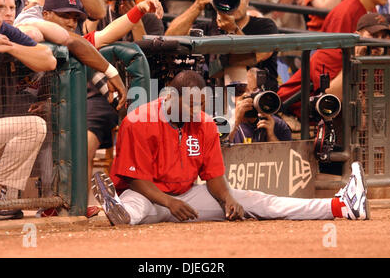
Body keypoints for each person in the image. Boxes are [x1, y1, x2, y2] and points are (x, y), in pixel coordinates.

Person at [91, 70, 369, 226]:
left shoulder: (205, 124)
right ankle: (119, 212)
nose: (195, 111)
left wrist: (228, 200)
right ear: (169, 97)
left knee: (256, 200)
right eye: (188, 105)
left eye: (200, 105)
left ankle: (340, 206)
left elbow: (213, 177)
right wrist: (168, 202)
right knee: (134, 208)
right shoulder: (138, 120)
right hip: (148, 195)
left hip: (186, 196)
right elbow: (134, 179)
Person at [35, 0, 163, 217]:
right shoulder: (28, 35)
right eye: (65, 15)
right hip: (19, 111)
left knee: (70, 137)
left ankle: (69, 205)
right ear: (46, 15)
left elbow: (108, 33)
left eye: (75, 17)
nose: (71, 22)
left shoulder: (75, 44)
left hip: (51, 117)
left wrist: (139, 10)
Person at [0, 0, 55, 220]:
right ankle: (0, 196)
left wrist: (10, 48)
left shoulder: (4, 30)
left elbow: (48, 60)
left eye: (1, 7)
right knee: (32, 127)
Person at [84, 0, 164, 199]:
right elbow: (85, 39)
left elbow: (145, 49)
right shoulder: (98, 9)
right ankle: (80, 201)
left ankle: (134, 193)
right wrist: (99, 3)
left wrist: (136, 9)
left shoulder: (149, 16)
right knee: (86, 140)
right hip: (98, 91)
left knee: (142, 131)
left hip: (139, 89)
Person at [277, 0, 390, 118]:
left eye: (383, 36)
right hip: (296, 109)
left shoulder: (370, 12)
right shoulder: (346, 13)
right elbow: (332, 82)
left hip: (333, 100)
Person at [165, 0, 279, 92]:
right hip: (214, 100)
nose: (232, 2)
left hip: (259, 99)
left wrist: (233, 30)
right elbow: (169, 39)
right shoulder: (207, 29)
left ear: (247, 0)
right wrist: (197, 6)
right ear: (215, 0)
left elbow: (261, 54)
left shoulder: (264, 26)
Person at [229, 68, 292, 144]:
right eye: (242, 91)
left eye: (255, 91)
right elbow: (218, 150)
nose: (250, 97)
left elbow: (287, 154)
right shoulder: (223, 122)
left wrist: (271, 136)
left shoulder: (277, 125)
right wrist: (235, 122)